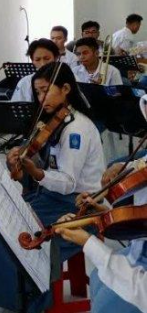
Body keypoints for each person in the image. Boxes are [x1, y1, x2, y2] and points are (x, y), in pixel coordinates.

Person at [0, 62, 105, 312]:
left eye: (45, 91)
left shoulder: (77, 128)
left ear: (66, 89)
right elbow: (44, 164)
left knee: (26, 242)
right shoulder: (53, 121)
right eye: (38, 92)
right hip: (49, 198)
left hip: (80, 207)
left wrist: (36, 171)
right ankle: (12, 297)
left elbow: (67, 182)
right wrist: (20, 160)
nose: (41, 98)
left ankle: (32, 302)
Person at [54, 94, 147, 312]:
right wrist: (106, 214)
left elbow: (141, 291)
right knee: (97, 278)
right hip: (139, 249)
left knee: (105, 306)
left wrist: (89, 243)